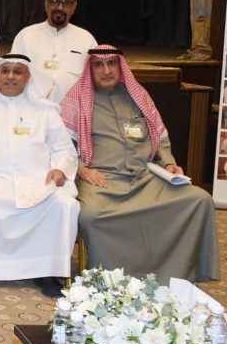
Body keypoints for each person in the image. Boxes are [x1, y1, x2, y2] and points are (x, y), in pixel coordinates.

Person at [60, 46, 220, 283]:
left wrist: (169, 164)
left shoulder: (138, 96)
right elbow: (63, 146)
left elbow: (160, 138)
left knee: (200, 200)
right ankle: (110, 280)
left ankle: (179, 272)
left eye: (112, 63)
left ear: (121, 66)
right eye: (99, 65)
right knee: (91, 216)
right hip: (103, 181)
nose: (106, 70)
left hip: (145, 178)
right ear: (89, 69)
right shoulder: (76, 100)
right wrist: (82, 169)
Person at [0, 55, 80, 298]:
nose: (11, 76)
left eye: (17, 71)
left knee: (64, 204)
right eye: (5, 71)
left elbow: (64, 149)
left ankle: (48, 271)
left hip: (38, 180)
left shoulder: (45, 110)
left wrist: (59, 169)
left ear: (28, 77)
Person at [11, 0, 97, 102]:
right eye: (55, 2)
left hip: (72, 107)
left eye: (67, 3)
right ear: (46, 5)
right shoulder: (26, 35)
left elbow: (94, 76)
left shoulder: (86, 38)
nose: (60, 7)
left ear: (74, 7)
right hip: (32, 105)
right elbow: (13, 71)